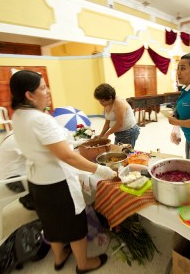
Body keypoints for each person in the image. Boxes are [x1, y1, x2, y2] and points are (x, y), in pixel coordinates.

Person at [9, 70, 116, 273]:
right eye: (42, 88)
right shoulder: (41, 119)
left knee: (50, 221)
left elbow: (47, 146)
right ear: (29, 95)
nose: (48, 91)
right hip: (56, 183)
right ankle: (83, 264)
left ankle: (59, 257)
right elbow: (67, 156)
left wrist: (73, 142)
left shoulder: (18, 116)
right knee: (74, 225)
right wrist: (101, 171)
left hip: (35, 181)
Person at [94, 83, 140, 148]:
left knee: (124, 153)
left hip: (128, 132)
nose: (100, 103)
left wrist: (107, 134)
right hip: (118, 132)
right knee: (117, 152)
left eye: (102, 101)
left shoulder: (119, 102)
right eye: (99, 101)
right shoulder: (107, 104)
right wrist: (101, 135)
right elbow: (107, 122)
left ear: (110, 98)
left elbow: (120, 123)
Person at [0, 131, 34, 210]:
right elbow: (39, 157)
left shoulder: (14, 133)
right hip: (14, 182)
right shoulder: (18, 140)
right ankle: (30, 201)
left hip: (9, 177)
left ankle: (28, 199)